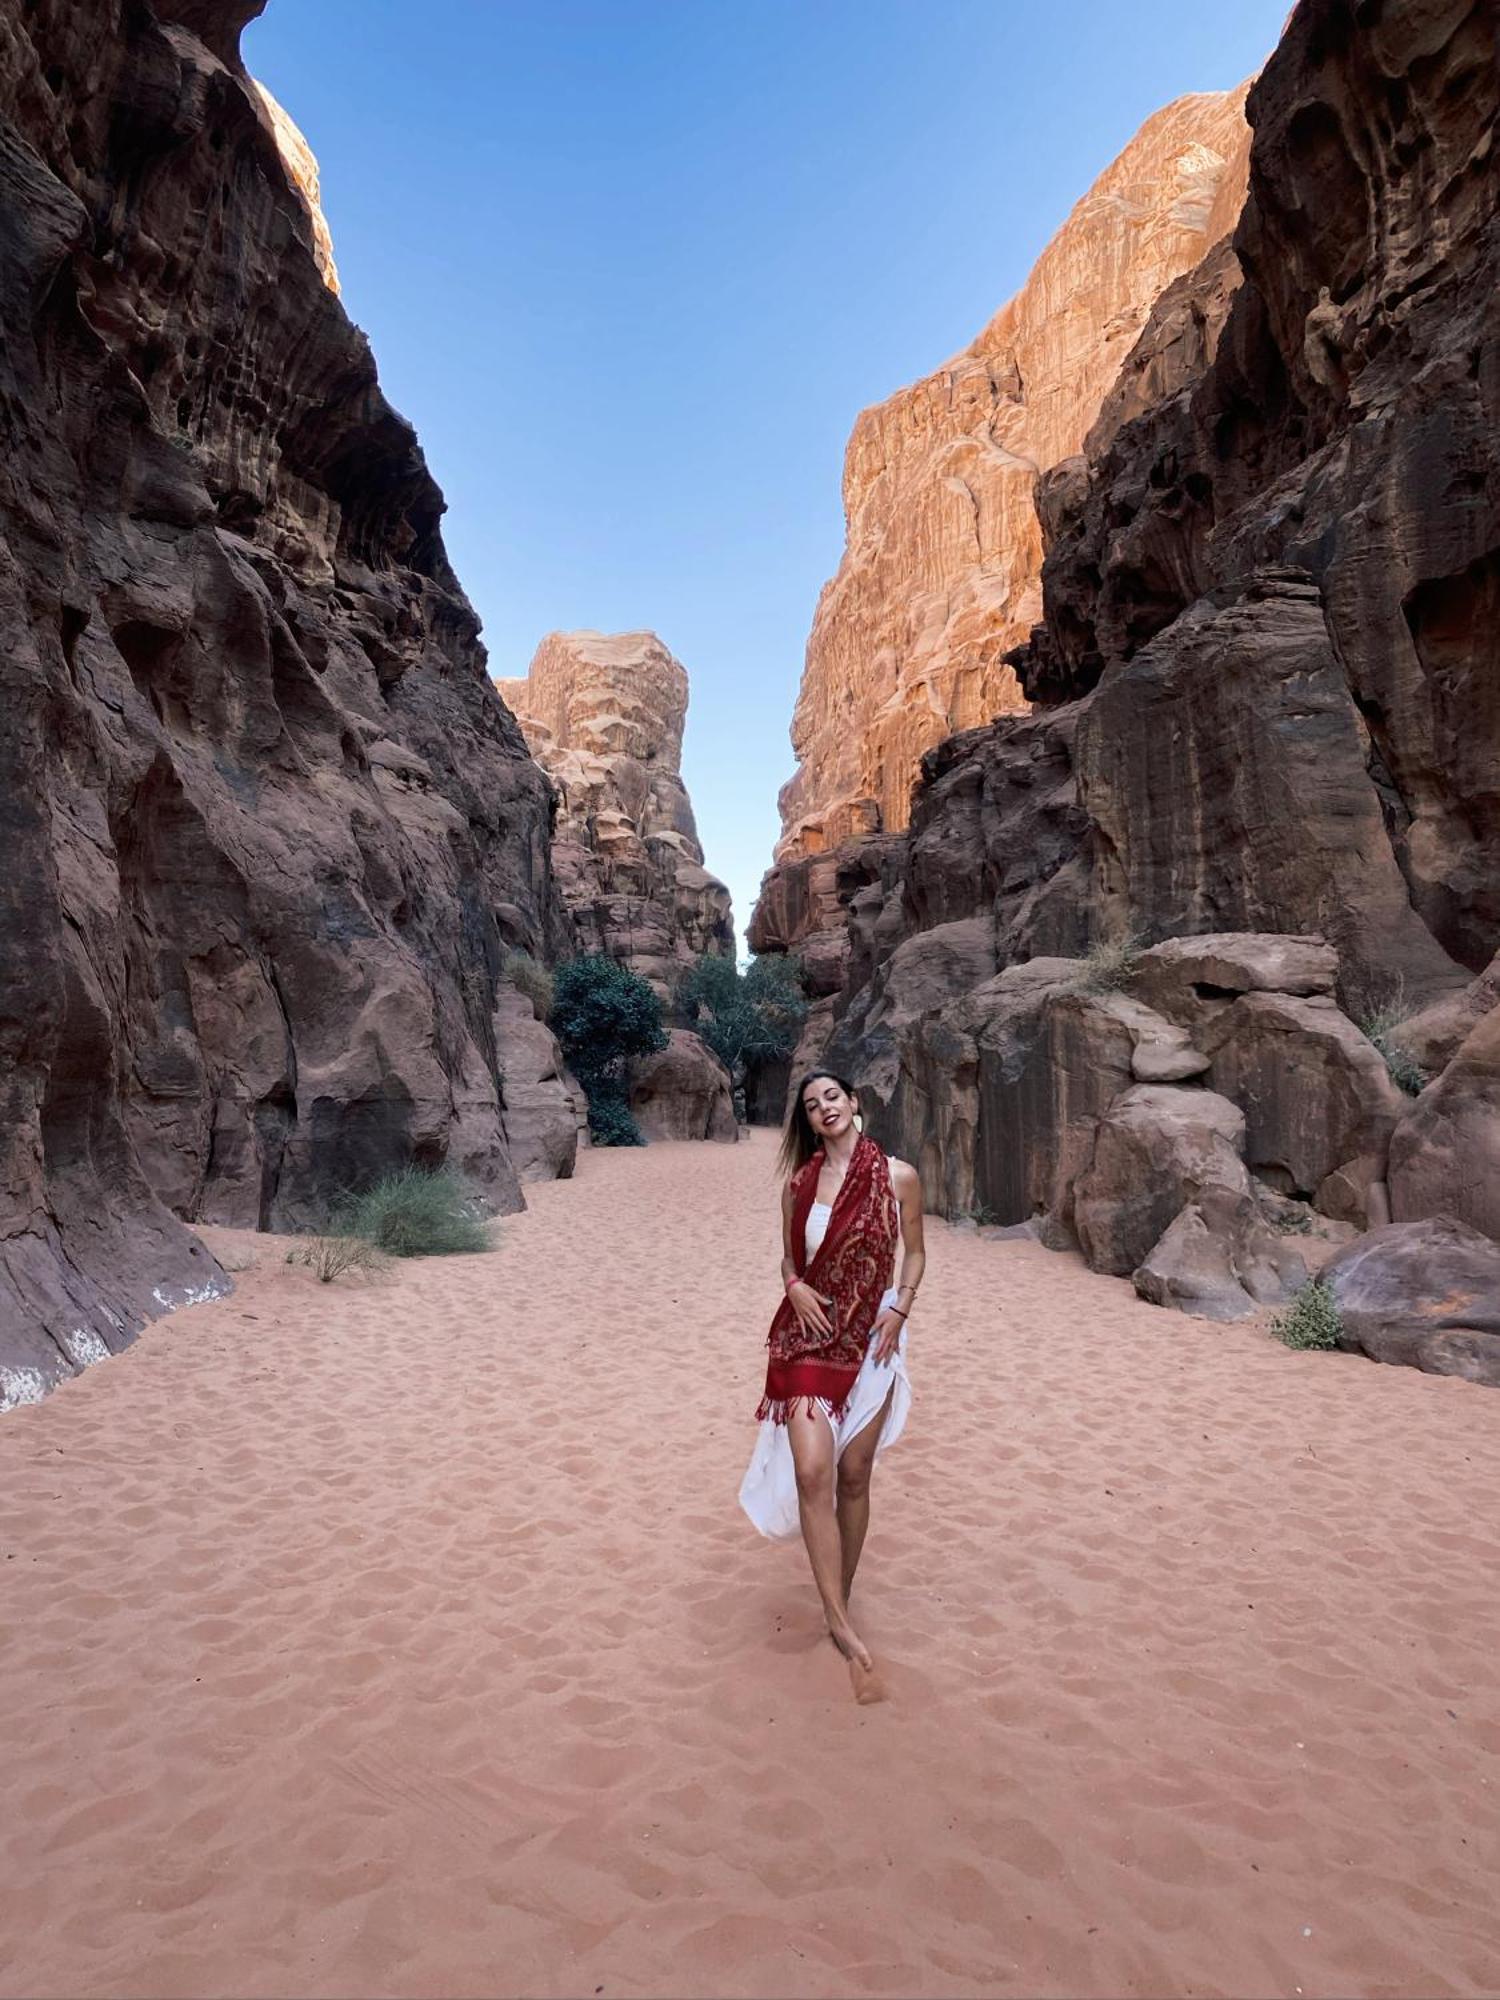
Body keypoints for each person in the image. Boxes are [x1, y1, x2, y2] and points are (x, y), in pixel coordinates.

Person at [738, 1068, 926, 1674]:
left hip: (871, 1339)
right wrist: (792, 1286)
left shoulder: (899, 1178)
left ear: (853, 1103)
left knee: (853, 1472)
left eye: (832, 1097)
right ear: (808, 1122)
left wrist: (901, 1305)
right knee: (813, 1469)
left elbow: (916, 1253)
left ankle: (838, 1592)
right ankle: (838, 1620)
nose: (824, 1108)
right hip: (808, 1338)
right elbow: (790, 1258)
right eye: (812, 1105)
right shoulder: (799, 1185)